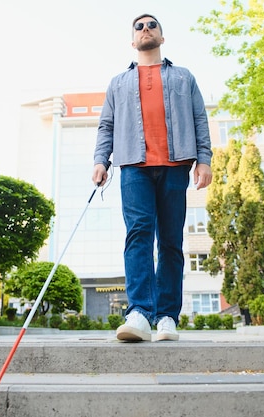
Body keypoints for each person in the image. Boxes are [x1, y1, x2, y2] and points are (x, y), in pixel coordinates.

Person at [93, 13, 212, 342]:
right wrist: (100, 160)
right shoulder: (118, 82)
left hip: (176, 167)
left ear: (161, 36)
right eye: (139, 27)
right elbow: (107, 126)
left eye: (152, 25)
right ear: (133, 40)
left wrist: (205, 160)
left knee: (171, 242)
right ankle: (139, 314)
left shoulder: (184, 77)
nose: (146, 29)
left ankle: (167, 318)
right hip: (133, 167)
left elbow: (199, 119)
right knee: (139, 235)